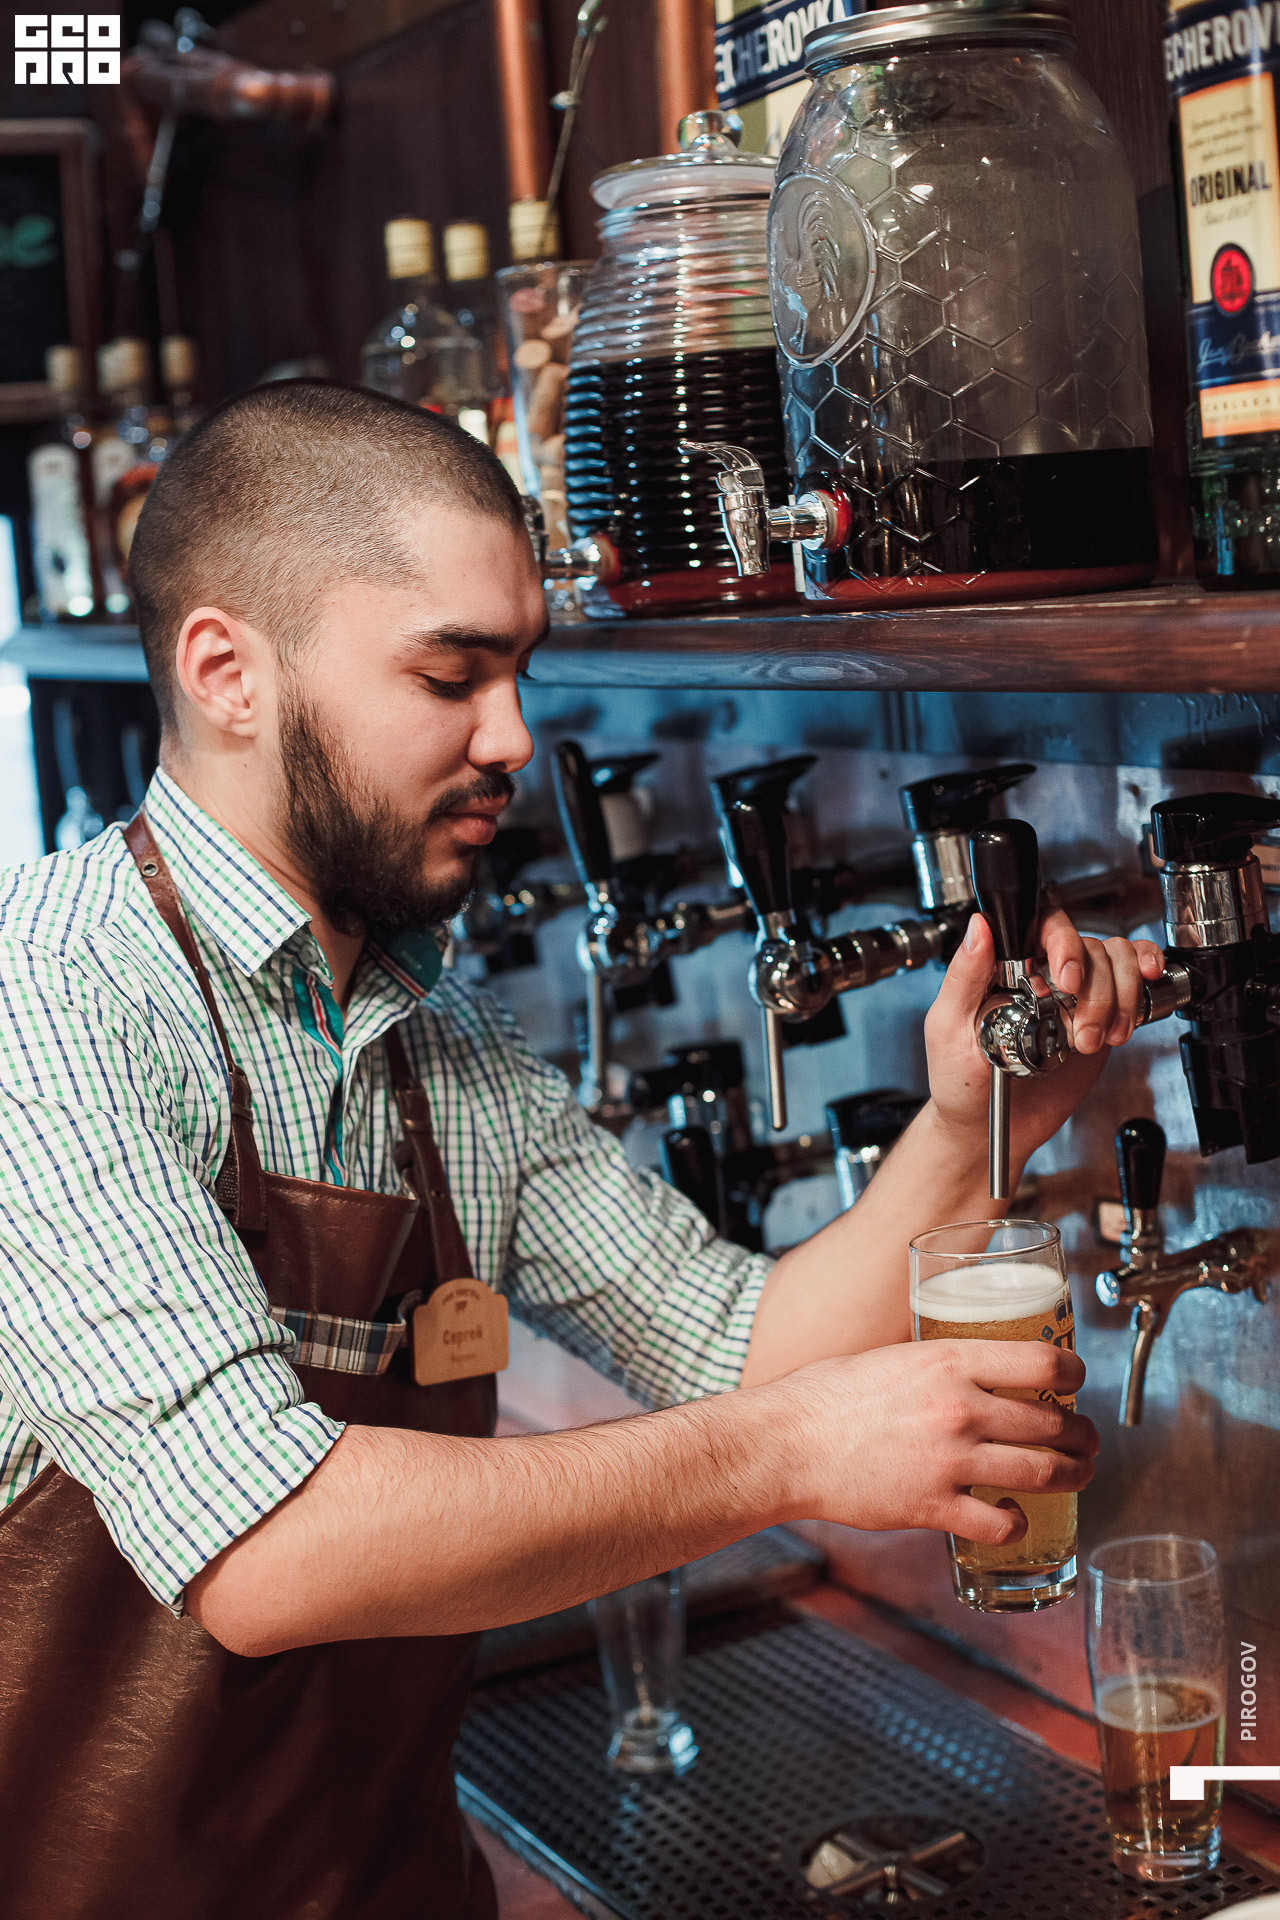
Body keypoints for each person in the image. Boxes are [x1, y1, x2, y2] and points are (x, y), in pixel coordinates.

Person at [0, 381, 1165, 1919]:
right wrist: (800, 1452)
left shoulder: (438, 1035)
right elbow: (266, 1543)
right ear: (228, 671)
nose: (516, 738)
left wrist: (978, 1121)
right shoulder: (55, 998)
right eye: (450, 676)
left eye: (524, 672)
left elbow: (735, 1343)